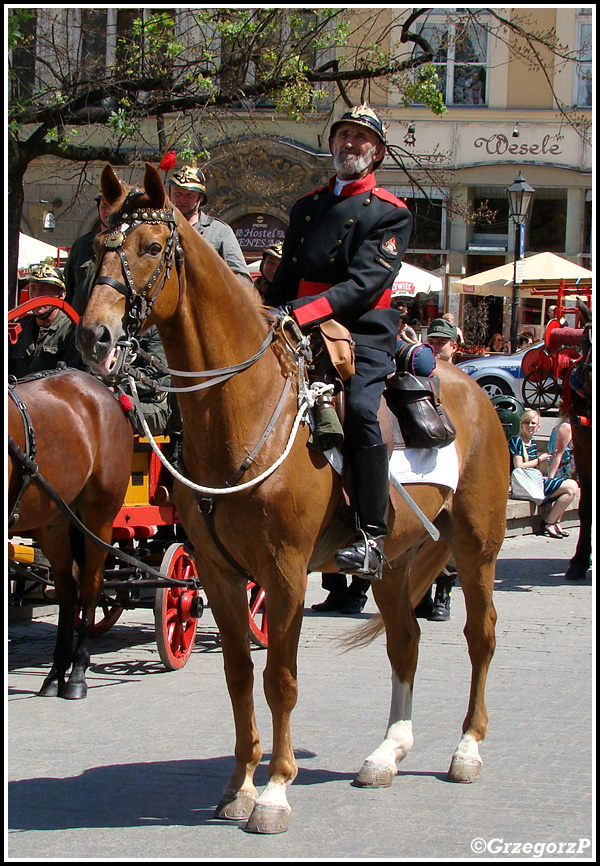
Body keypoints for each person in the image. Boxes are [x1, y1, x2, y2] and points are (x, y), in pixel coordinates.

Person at [266, 104, 413, 581]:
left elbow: (364, 285)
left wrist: (300, 313)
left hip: (361, 330)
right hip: (295, 325)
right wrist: (262, 312)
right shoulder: (306, 206)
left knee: (364, 411)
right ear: (331, 144)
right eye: (343, 135)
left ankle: (371, 533)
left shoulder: (392, 213)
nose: (349, 144)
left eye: (361, 138)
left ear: (378, 153)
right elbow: (287, 276)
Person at [63, 193, 171, 436]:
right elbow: (72, 292)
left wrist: (114, 383)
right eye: (103, 206)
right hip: (92, 336)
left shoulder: (150, 322)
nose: (107, 212)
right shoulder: (84, 246)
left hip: (137, 403)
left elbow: (156, 377)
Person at [413, 316, 460, 621]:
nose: (437, 347)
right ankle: (421, 594)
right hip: (425, 452)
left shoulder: (462, 382)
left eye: (442, 342)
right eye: (433, 342)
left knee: (450, 534)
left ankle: (444, 593)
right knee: (420, 534)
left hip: (451, 453)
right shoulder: (418, 375)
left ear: (454, 347)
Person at [167, 165, 253, 283]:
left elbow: (243, 280)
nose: (182, 200)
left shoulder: (219, 232)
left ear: (201, 197)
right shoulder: (160, 228)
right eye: (178, 193)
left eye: (189, 195)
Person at [508, 409, 578, 539]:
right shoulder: (517, 441)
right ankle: (549, 523)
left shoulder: (533, 441)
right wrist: (540, 459)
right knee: (570, 487)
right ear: (521, 424)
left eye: (533, 423)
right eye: (526, 423)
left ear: (538, 427)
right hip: (525, 483)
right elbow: (519, 466)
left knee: (572, 488)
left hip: (534, 481)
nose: (530, 426)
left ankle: (554, 522)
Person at [8, 263, 84, 378]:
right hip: (17, 393)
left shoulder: (71, 330)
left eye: (44, 289)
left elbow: (74, 380)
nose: (36, 295)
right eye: (32, 289)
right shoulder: (20, 326)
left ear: (61, 295)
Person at [64, 193, 112, 315]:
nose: (109, 211)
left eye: (113, 205)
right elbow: (69, 286)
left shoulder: (130, 245)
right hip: (80, 323)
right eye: (104, 206)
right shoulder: (81, 245)